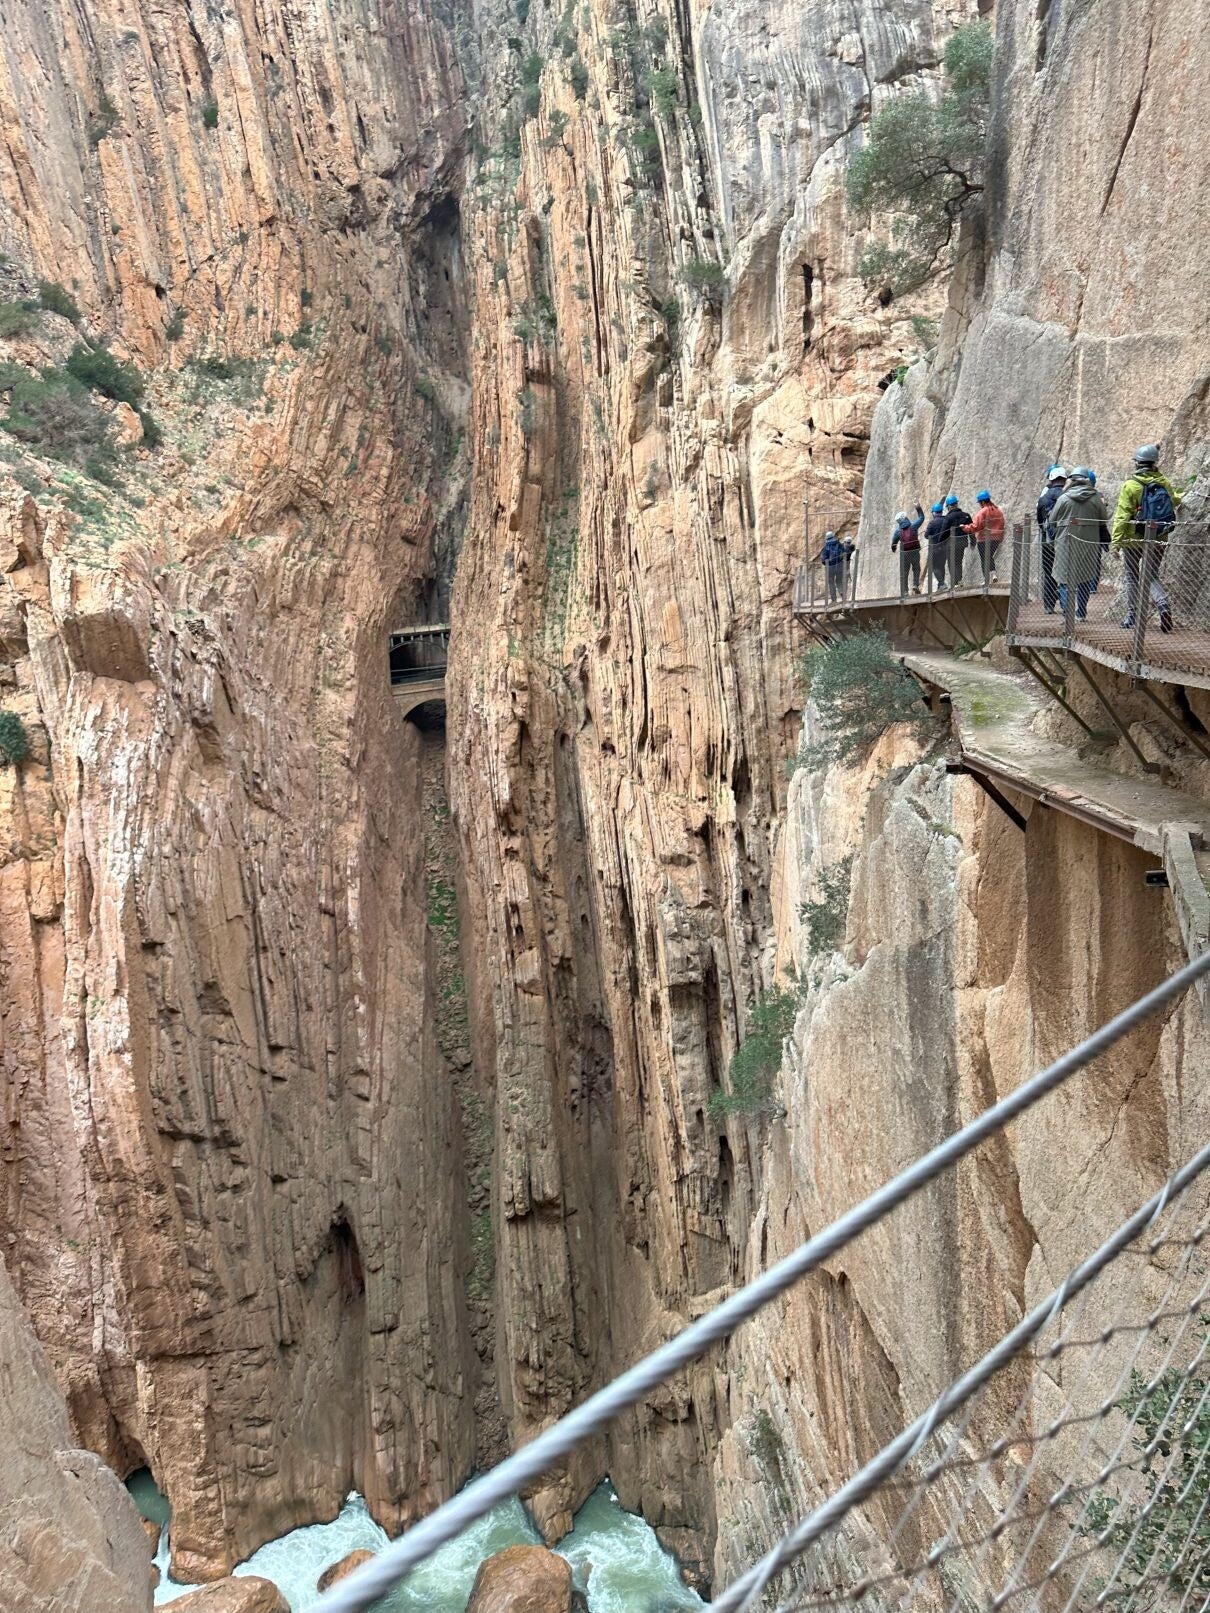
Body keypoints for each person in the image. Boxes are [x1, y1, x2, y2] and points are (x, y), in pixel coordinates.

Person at [1111, 444, 1181, 631]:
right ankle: (1163, 604)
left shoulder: (1130, 485)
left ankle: (1133, 616)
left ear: (1137, 463)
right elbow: (1174, 501)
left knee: (1132, 577)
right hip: (1159, 537)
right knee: (1150, 574)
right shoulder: (1163, 482)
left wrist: (1115, 543)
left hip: (1134, 539)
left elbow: (1122, 516)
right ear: (1154, 462)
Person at [1049, 469, 1107, 621]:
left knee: (1063, 579)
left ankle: (1067, 613)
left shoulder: (1064, 498)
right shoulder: (1095, 498)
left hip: (1065, 542)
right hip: (1089, 543)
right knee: (1085, 578)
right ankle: (1081, 613)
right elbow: (1103, 519)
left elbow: (1052, 520)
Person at [1036, 465, 1067, 612]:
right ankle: (1065, 604)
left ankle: (1048, 605)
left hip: (1047, 540)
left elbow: (1039, 521)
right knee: (1063, 571)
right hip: (1064, 540)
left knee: (1048, 571)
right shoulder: (1067, 496)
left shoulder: (1043, 499)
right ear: (1064, 479)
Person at [962, 490, 1006, 583]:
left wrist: (965, 528)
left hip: (984, 539)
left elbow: (976, 526)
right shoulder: (998, 510)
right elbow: (1002, 523)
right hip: (996, 538)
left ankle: (986, 579)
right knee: (989, 556)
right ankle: (993, 575)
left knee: (984, 558)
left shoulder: (983, 512)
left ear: (982, 502)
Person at [891, 504, 926, 596]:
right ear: (905, 518)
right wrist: (918, 507)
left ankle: (905, 591)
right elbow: (922, 517)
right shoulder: (913, 526)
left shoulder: (898, 531)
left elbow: (894, 543)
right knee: (916, 568)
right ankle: (915, 585)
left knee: (905, 572)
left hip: (905, 554)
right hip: (914, 551)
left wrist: (893, 549)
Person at [940, 493, 972, 587]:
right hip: (962, 542)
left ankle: (956, 582)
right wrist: (973, 540)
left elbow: (944, 532)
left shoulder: (948, 517)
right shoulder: (966, 515)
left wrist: (940, 542)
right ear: (956, 504)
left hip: (952, 544)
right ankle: (959, 581)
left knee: (951, 563)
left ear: (949, 507)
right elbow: (971, 529)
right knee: (958, 562)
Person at [817, 530, 856, 604]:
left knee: (831, 583)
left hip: (830, 568)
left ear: (827, 538)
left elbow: (823, 559)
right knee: (839, 581)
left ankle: (834, 600)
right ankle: (843, 595)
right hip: (840, 566)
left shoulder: (826, 547)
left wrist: (827, 563)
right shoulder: (839, 544)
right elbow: (845, 552)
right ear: (833, 536)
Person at [923, 501, 950, 589]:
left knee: (934, 567)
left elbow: (926, 535)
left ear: (934, 513)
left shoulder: (932, 523)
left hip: (934, 548)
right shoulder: (946, 520)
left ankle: (942, 583)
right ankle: (940, 585)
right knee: (941, 566)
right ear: (941, 511)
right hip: (945, 547)